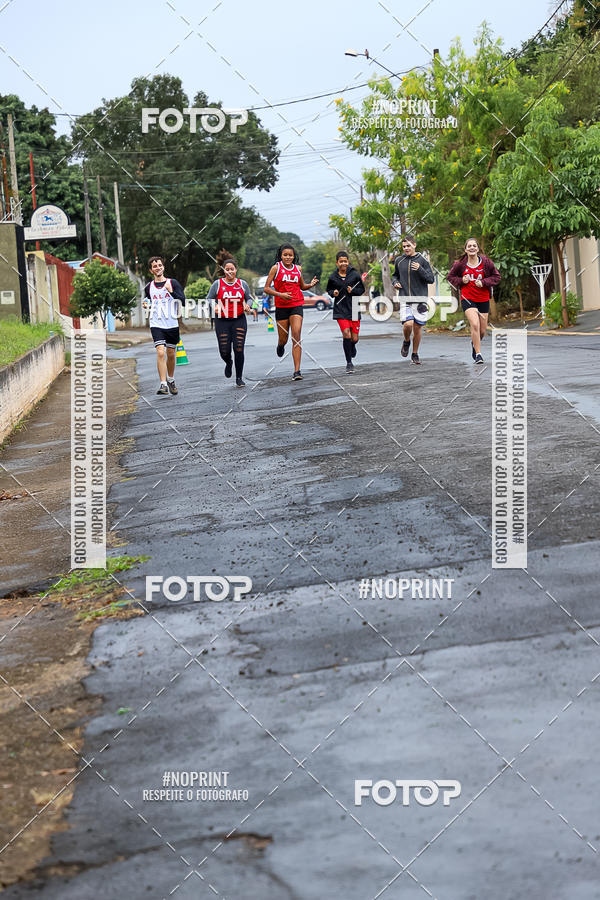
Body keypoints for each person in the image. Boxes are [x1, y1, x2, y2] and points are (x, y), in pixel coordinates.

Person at [264, 244, 318, 381]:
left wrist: (310, 285)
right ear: (281, 256)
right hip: (282, 306)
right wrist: (280, 294)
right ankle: (280, 345)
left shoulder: (298, 269)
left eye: (290, 255)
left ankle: (297, 371)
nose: (288, 257)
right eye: (285, 255)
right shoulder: (276, 268)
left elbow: (302, 286)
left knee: (296, 334)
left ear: (294, 256)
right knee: (284, 338)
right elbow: (266, 289)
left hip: (296, 304)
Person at [447, 238, 501, 365]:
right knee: (475, 325)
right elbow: (450, 277)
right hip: (468, 298)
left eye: (474, 246)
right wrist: (461, 281)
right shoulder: (460, 264)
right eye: (469, 246)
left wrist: (483, 282)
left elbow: (496, 277)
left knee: (482, 331)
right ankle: (478, 354)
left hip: (483, 299)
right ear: (465, 249)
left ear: (477, 248)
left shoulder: (486, 262)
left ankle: (474, 342)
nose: (472, 248)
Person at [206, 258, 252, 387]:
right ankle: (228, 362)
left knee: (238, 348)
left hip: (239, 320)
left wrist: (248, 305)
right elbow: (209, 298)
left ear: (236, 270)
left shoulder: (242, 284)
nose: (230, 271)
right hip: (222, 321)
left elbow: (249, 298)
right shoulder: (217, 284)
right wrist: (214, 305)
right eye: (227, 269)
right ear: (224, 270)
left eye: (232, 269)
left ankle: (239, 377)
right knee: (224, 350)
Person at [143, 256, 185, 395]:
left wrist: (171, 291)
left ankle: (171, 379)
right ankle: (163, 384)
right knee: (160, 352)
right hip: (156, 323)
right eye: (155, 266)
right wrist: (145, 303)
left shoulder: (172, 283)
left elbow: (183, 301)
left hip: (172, 323)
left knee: (171, 354)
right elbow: (147, 300)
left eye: (160, 265)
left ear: (163, 267)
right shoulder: (149, 287)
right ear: (151, 270)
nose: (158, 268)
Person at [392, 235, 435, 366]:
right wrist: (395, 282)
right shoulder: (399, 260)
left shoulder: (422, 260)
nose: (406, 248)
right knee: (408, 324)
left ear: (414, 245)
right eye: (404, 246)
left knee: (417, 328)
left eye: (408, 246)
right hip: (405, 298)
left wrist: (420, 269)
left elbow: (431, 279)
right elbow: (395, 275)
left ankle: (415, 353)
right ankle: (406, 341)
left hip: (420, 300)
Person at [326, 250, 366, 374]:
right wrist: (334, 293)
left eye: (345, 261)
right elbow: (329, 290)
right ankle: (349, 363)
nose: (343, 263)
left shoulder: (354, 275)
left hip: (353, 307)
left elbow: (361, 290)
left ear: (348, 262)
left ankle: (352, 345)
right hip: (340, 308)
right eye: (341, 261)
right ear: (337, 263)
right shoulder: (333, 277)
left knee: (354, 338)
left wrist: (352, 290)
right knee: (346, 334)